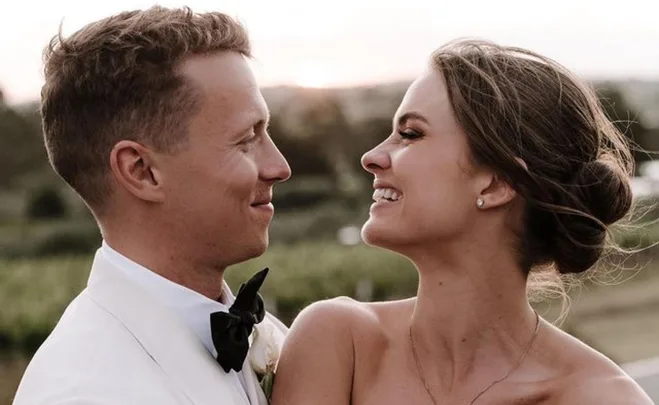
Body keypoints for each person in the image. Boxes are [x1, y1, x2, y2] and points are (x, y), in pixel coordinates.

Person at [271, 39, 654, 405]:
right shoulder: (339, 343)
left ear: (497, 182)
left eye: (410, 134)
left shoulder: (601, 398)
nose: (371, 157)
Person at [13, 6, 290, 405]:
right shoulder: (82, 391)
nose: (279, 167)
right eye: (247, 139)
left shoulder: (272, 339)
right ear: (142, 171)